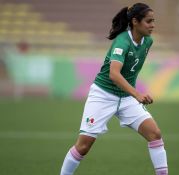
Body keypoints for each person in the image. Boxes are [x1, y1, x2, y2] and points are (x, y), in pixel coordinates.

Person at [60, 3, 168, 175]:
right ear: (135, 21)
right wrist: (137, 94)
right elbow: (114, 74)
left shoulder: (148, 42)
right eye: (148, 21)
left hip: (126, 98)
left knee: (155, 134)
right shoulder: (122, 41)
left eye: (153, 21)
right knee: (83, 146)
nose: (153, 25)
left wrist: (132, 94)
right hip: (103, 95)